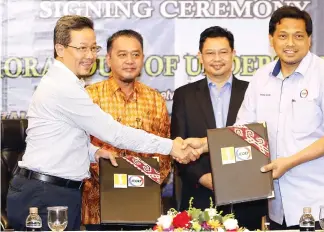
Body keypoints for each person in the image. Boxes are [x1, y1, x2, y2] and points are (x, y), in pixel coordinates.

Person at [6, 15, 199, 231]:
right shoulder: (63, 88)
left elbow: (63, 137)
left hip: (52, 191)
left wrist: (94, 152)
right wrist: (171, 146)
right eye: (81, 48)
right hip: (45, 195)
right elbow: (114, 133)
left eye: (92, 48)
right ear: (60, 49)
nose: (89, 56)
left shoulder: (68, 83)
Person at [183, 6, 324, 230]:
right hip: (279, 208)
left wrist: (289, 162)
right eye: (283, 36)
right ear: (271, 39)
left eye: (298, 36)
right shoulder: (261, 78)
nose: (290, 43)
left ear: (309, 40)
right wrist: (204, 145)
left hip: (323, 207)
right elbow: (242, 132)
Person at [171, 26, 267, 230]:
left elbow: (259, 140)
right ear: (200, 56)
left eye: (223, 52)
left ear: (233, 54)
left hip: (246, 196)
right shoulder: (184, 96)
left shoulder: (253, 92)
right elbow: (178, 145)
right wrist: (203, 178)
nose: (217, 58)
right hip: (200, 198)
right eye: (210, 53)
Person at [82, 29, 172, 230]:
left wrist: (144, 182)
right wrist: (111, 181)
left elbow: (165, 154)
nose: (130, 60)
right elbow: (79, 146)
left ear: (142, 59)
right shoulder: (89, 97)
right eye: (122, 55)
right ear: (108, 59)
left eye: (135, 54)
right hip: (98, 206)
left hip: (143, 204)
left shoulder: (155, 99)